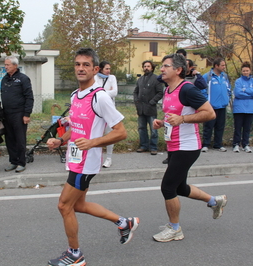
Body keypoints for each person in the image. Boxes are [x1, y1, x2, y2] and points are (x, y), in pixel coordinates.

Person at [46, 48, 139, 266]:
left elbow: (121, 131)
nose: (81, 68)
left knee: (63, 206)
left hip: (86, 163)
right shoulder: (75, 95)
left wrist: (93, 142)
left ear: (95, 69)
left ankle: (75, 254)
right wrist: (61, 141)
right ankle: (124, 222)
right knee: (78, 205)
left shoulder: (100, 97)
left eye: (86, 65)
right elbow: (77, 129)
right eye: (77, 64)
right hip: (75, 158)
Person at [152, 54, 227, 242]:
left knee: (168, 187)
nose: (161, 69)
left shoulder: (188, 90)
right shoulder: (168, 89)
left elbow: (209, 113)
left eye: (166, 66)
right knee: (181, 188)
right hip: (174, 145)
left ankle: (175, 229)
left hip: (187, 146)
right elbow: (175, 115)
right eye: (162, 66)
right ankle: (214, 201)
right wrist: (163, 122)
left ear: (178, 70)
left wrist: (183, 119)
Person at [1, 56, 34, 173]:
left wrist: (26, 114)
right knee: (9, 139)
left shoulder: (23, 79)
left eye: (8, 65)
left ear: (15, 66)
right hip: (6, 114)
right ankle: (13, 161)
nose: (6, 67)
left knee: (20, 139)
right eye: (5, 65)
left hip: (19, 114)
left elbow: (29, 97)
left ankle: (21, 162)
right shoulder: (4, 79)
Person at [201, 58, 231, 152]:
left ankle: (218, 144)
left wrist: (227, 98)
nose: (224, 67)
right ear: (216, 66)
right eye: (222, 65)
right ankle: (206, 144)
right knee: (208, 126)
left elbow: (228, 88)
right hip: (211, 106)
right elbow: (202, 90)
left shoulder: (224, 76)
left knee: (220, 126)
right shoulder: (207, 76)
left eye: (224, 65)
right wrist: (207, 101)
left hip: (222, 106)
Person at [134, 60, 164, 155]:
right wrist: (136, 101)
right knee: (142, 128)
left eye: (148, 66)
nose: (146, 68)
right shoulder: (140, 79)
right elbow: (135, 92)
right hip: (141, 109)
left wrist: (152, 101)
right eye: (145, 66)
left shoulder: (156, 79)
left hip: (150, 108)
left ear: (152, 68)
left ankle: (153, 147)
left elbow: (160, 92)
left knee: (153, 129)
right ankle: (143, 146)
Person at [232, 62, 253, 153]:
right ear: (241, 71)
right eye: (244, 71)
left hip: (250, 108)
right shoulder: (238, 81)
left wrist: (245, 90)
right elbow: (237, 93)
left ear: (250, 71)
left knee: (247, 128)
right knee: (238, 127)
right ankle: (236, 144)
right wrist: (250, 94)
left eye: (247, 70)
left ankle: (245, 144)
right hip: (239, 108)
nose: (245, 72)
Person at [94, 61, 118, 168]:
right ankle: (97, 158)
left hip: (109, 109)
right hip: (97, 110)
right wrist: (107, 91)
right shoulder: (95, 78)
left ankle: (109, 158)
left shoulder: (112, 78)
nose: (109, 71)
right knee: (97, 134)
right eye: (106, 68)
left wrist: (101, 91)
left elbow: (115, 92)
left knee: (109, 135)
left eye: (109, 69)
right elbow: (93, 92)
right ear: (101, 69)